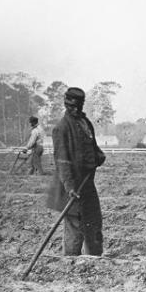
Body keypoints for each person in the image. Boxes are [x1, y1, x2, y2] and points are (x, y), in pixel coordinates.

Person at [46, 87, 106, 256]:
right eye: (71, 106)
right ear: (66, 104)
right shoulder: (61, 128)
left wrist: (99, 156)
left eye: (78, 106)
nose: (75, 110)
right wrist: (70, 187)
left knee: (94, 222)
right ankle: (70, 264)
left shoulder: (86, 123)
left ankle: (95, 260)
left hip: (87, 184)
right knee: (75, 226)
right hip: (71, 187)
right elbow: (62, 161)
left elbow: (93, 148)